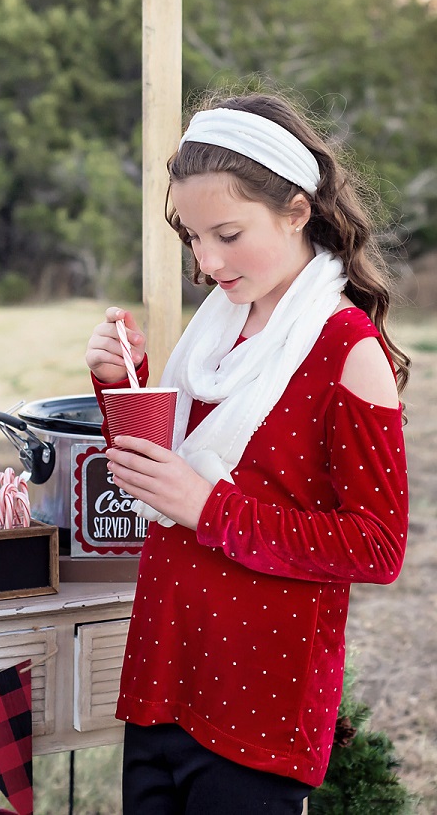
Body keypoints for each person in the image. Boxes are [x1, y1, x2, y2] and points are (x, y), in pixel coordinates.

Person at [85, 91, 410, 815]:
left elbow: (377, 546)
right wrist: (117, 382)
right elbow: (156, 481)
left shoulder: (347, 350)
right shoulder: (219, 332)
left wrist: (208, 508)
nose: (206, 261)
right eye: (193, 238)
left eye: (227, 234)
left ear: (297, 210)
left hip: (257, 703)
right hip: (165, 673)